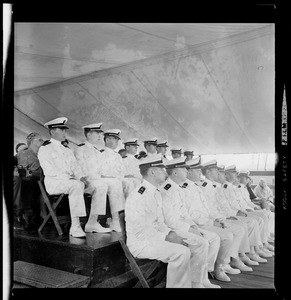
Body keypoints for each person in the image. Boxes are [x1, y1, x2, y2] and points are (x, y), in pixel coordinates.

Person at [125, 154, 193, 288]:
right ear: (152, 172)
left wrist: (172, 234)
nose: (164, 172)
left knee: (187, 245)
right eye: (161, 169)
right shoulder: (138, 196)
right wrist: (168, 238)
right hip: (141, 243)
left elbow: (160, 223)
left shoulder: (155, 193)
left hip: (153, 238)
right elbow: (140, 233)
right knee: (181, 252)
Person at [182, 157, 253, 279]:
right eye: (197, 171)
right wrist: (213, 221)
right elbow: (191, 214)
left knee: (233, 231)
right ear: (188, 172)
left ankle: (221, 265)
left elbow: (207, 209)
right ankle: (217, 267)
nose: (200, 173)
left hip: (208, 220)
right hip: (197, 224)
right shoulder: (187, 188)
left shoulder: (197, 187)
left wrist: (216, 220)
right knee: (227, 235)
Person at [160, 157, 222, 288]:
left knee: (213, 237)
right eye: (183, 169)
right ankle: (195, 282)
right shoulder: (167, 189)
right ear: (175, 172)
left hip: (183, 226)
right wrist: (189, 228)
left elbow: (185, 213)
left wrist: (193, 226)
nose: (186, 171)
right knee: (202, 242)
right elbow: (170, 220)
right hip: (172, 230)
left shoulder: (178, 188)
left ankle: (203, 277)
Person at [199, 160, 256, 273]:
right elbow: (208, 208)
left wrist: (227, 215)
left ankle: (238, 256)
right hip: (210, 220)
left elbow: (220, 205)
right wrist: (218, 219)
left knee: (242, 226)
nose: (220, 174)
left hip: (220, 217)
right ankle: (227, 262)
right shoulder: (204, 187)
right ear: (209, 172)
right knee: (236, 230)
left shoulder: (215, 186)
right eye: (216, 170)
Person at [38, 117, 90, 238]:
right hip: (54, 182)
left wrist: (81, 177)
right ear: (52, 132)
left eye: (65, 131)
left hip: (68, 182)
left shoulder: (67, 150)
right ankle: (75, 226)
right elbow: (49, 171)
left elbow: (75, 167)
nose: (64, 133)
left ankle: (91, 222)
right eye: (61, 130)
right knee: (76, 185)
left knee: (90, 185)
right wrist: (71, 178)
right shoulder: (45, 149)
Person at [74, 123, 125, 233]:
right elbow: (80, 169)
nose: (99, 135)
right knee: (101, 185)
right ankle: (92, 222)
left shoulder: (96, 150)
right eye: (97, 133)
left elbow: (102, 170)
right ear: (88, 135)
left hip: (96, 178)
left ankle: (116, 220)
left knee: (115, 183)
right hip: (86, 181)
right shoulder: (80, 149)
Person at [224, 165, 272, 261]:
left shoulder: (235, 188)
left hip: (242, 210)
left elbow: (244, 202)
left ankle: (260, 245)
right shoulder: (227, 187)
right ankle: (251, 251)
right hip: (234, 213)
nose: (236, 176)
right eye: (234, 173)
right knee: (255, 220)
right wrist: (240, 211)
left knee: (262, 216)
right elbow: (231, 204)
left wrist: (252, 207)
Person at [99, 129, 135, 208]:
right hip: (107, 179)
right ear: (107, 140)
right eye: (115, 139)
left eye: (117, 139)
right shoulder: (101, 154)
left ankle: (129, 208)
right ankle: (120, 212)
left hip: (117, 178)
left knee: (129, 183)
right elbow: (102, 172)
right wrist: (117, 177)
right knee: (122, 183)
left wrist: (123, 176)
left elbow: (122, 170)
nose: (117, 141)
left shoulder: (117, 155)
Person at [237, 172, 274, 250]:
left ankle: (263, 241)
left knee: (264, 214)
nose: (247, 180)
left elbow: (248, 202)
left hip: (247, 208)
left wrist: (254, 207)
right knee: (259, 218)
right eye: (245, 178)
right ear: (239, 178)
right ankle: (256, 248)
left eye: (247, 178)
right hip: (240, 211)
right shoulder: (237, 188)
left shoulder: (244, 188)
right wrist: (250, 208)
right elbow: (239, 204)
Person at [16, 132, 44, 229]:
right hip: (31, 181)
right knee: (29, 182)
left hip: (44, 179)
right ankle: (30, 216)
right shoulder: (24, 153)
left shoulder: (43, 153)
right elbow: (23, 172)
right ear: (32, 142)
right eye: (39, 140)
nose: (42, 141)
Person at [13, 142, 28, 229]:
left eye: (26, 150)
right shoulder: (15, 159)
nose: (25, 152)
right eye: (22, 150)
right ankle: (17, 215)